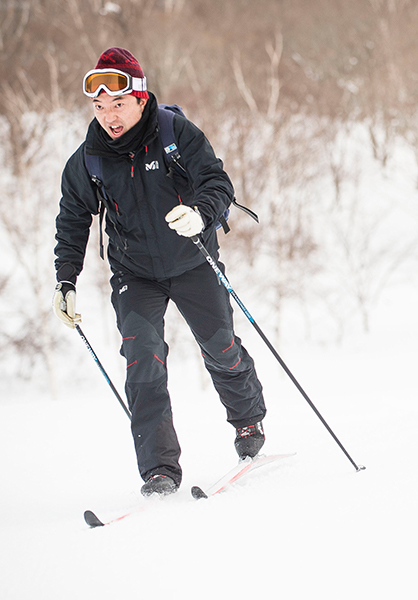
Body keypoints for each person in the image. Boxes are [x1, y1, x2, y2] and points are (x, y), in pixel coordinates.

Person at [52, 47, 266, 497]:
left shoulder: (174, 132)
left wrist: (201, 213)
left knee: (221, 348)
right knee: (142, 362)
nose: (108, 116)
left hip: (192, 261)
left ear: (141, 98)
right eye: (99, 107)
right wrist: (66, 279)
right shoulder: (90, 158)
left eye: (118, 104)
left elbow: (216, 182)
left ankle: (248, 421)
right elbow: (73, 217)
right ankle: (159, 471)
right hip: (136, 273)